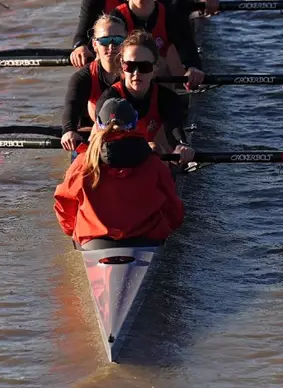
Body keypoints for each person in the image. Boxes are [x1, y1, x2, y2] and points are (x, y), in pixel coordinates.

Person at [53, 95, 185, 248]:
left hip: (94, 243)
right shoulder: (153, 163)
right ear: (134, 124)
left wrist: (72, 230)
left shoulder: (83, 163)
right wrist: (170, 227)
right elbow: (174, 210)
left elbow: (63, 202)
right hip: (145, 241)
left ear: (98, 125)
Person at [109, 32, 195, 161]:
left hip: (147, 159)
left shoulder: (167, 97)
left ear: (155, 67)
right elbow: (104, 145)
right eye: (130, 66)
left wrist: (181, 145)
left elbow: (174, 128)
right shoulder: (110, 99)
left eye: (144, 67)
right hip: (115, 160)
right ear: (122, 65)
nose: (136, 73)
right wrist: (144, 148)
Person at [60, 13, 129, 151]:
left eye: (117, 40)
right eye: (104, 41)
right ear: (94, 45)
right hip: (93, 137)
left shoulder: (136, 72)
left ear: (126, 42)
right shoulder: (82, 78)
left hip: (130, 134)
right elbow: (71, 107)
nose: (111, 47)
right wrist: (69, 131)